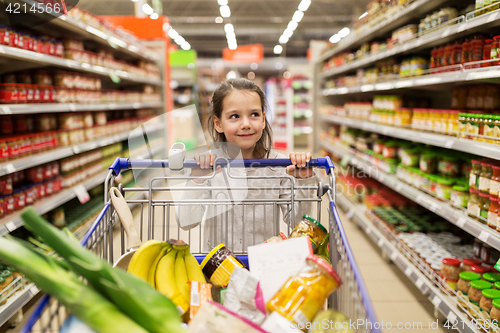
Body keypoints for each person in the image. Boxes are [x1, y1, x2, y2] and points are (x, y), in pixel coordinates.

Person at [176, 78, 316, 252]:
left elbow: (297, 222)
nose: (246, 124)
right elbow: (186, 222)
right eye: (235, 116)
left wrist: (303, 181)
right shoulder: (210, 166)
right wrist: (196, 180)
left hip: (262, 264)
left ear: (264, 120)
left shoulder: (279, 166)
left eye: (254, 115)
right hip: (219, 267)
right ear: (218, 123)